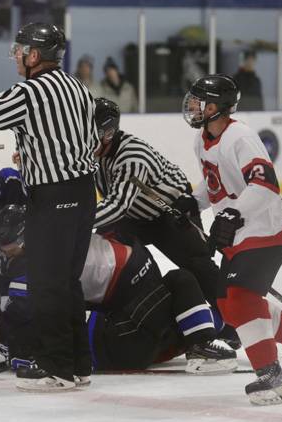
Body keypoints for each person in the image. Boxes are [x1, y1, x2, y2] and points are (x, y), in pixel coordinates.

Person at [0, 22, 99, 392]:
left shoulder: (31, 90)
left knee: (46, 283)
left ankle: (56, 367)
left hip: (52, 197)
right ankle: (79, 363)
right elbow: (91, 140)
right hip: (83, 194)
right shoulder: (78, 87)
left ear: (34, 55)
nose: (16, 55)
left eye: (21, 49)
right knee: (67, 282)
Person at [183, 74, 282, 405]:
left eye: (199, 101)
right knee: (228, 305)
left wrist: (233, 214)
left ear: (217, 108)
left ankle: (270, 377)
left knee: (240, 300)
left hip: (266, 230)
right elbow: (214, 185)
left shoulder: (240, 137)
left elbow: (266, 185)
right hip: (240, 233)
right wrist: (193, 201)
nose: (192, 107)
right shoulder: (202, 140)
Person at [0, 204, 238, 375]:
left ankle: (211, 334)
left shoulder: (14, 323)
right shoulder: (16, 313)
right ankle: (209, 338)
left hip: (118, 319)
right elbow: (27, 311)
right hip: (116, 328)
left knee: (180, 291)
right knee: (181, 281)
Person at [91, 98, 229, 333]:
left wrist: (74, 220)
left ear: (107, 133)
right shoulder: (92, 151)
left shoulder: (131, 156)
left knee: (198, 267)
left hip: (171, 211)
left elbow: (116, 207)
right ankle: (142, 306)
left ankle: (231, 323)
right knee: (114, 257)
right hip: (133, 216)